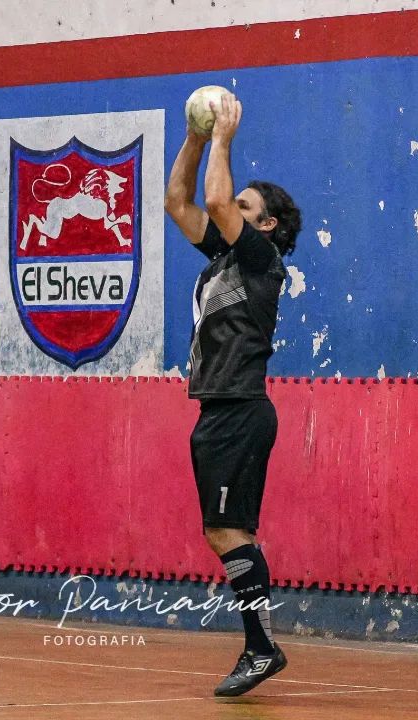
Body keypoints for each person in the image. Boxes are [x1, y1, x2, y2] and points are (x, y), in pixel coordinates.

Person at [164, 92, 302, 697]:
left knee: (229, 532)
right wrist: (195, 137)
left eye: (248, 206)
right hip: (216, 408)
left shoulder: (260, 256)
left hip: (243, 408)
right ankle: (260, 644)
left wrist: (223, 135)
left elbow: (217, 200)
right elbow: (179, 201)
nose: (231, 209)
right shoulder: (223, 256)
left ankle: (261, 646)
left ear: (264, 223)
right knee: (223, 531)